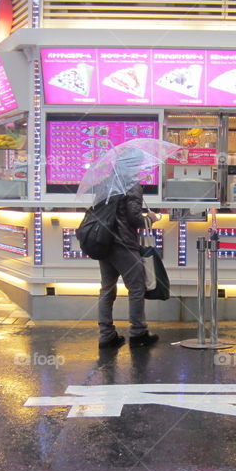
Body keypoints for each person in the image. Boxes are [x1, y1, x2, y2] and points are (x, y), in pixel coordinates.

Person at [96, 148, 159, 348]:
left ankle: (106, 334)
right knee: (137, 287)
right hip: (123, 243)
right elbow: (133, 218)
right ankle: (138, 332)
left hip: (103, 242)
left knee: (107, 289)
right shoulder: (131, 184)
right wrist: (149, 218)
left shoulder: (104, 182)